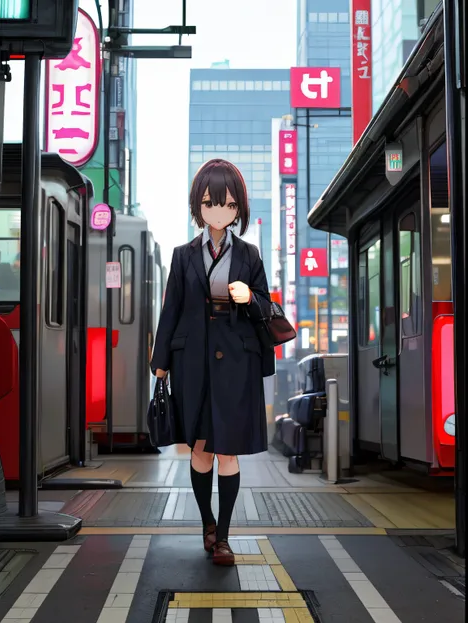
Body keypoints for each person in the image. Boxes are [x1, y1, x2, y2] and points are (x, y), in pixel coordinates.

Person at [151, 159, 275, 566]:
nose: (218, 211)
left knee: (229, 451)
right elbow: (171, 310)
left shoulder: (250, 254)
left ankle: (223, 536)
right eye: (209, 202)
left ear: (238, 208)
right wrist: (161, 360)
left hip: (236, 364)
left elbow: (267, 309)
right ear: (198, 206)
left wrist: (249, 297)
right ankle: (206, 522)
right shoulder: (183, 255)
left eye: (227, 204)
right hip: (193, 365)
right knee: (200, 448)